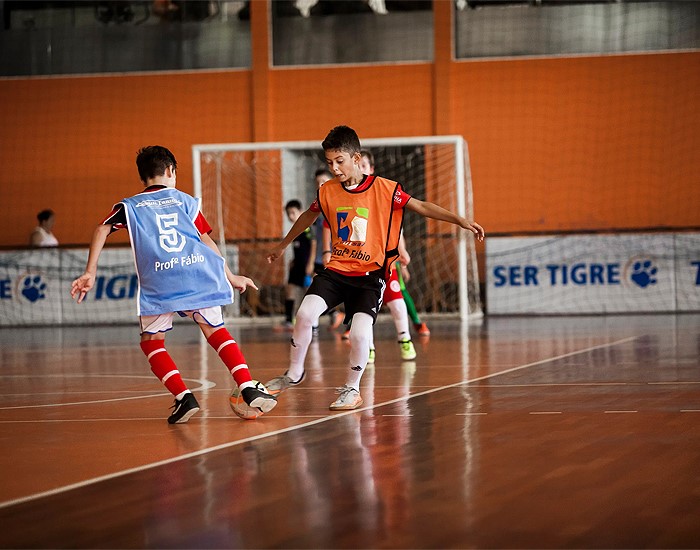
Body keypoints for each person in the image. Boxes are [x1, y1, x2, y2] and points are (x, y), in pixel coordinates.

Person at [265, 126, 484, 410]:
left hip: (370, 276)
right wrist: (283, 244)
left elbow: (422, 206)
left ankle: (352, 389)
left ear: (356, 158)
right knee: (305, 314)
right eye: (329, 162)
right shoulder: (327, 191)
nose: (334, 168)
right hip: (336, 271)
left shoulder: (386, 189)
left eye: (339, 161)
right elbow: (309, 215)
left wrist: (460, 220)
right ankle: (294, 373)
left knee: (358, 334)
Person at [70, 145, 277, 424]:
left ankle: (183, 397)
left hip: (160, 281)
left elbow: (101, 228)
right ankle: (248, 385)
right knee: (216, 331)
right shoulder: (186, 201)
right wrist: (231, 276)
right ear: (170, 171)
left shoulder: (130, 206)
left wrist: (90, 271)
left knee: (151, 341)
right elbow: (206, 240)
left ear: (143, 176)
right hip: (198, 274)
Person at [282, 199, 315, 328]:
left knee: (311, 292)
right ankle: (289, 319)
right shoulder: (294, 230)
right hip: (296, 265)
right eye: (288, 213)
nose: (291, 216)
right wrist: (293, 261)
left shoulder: (306, 228)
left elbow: (313, 243)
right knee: (289, 289)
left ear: (301, 212)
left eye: (293, 213)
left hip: (306, 266)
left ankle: (331, 313)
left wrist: (310, 263)